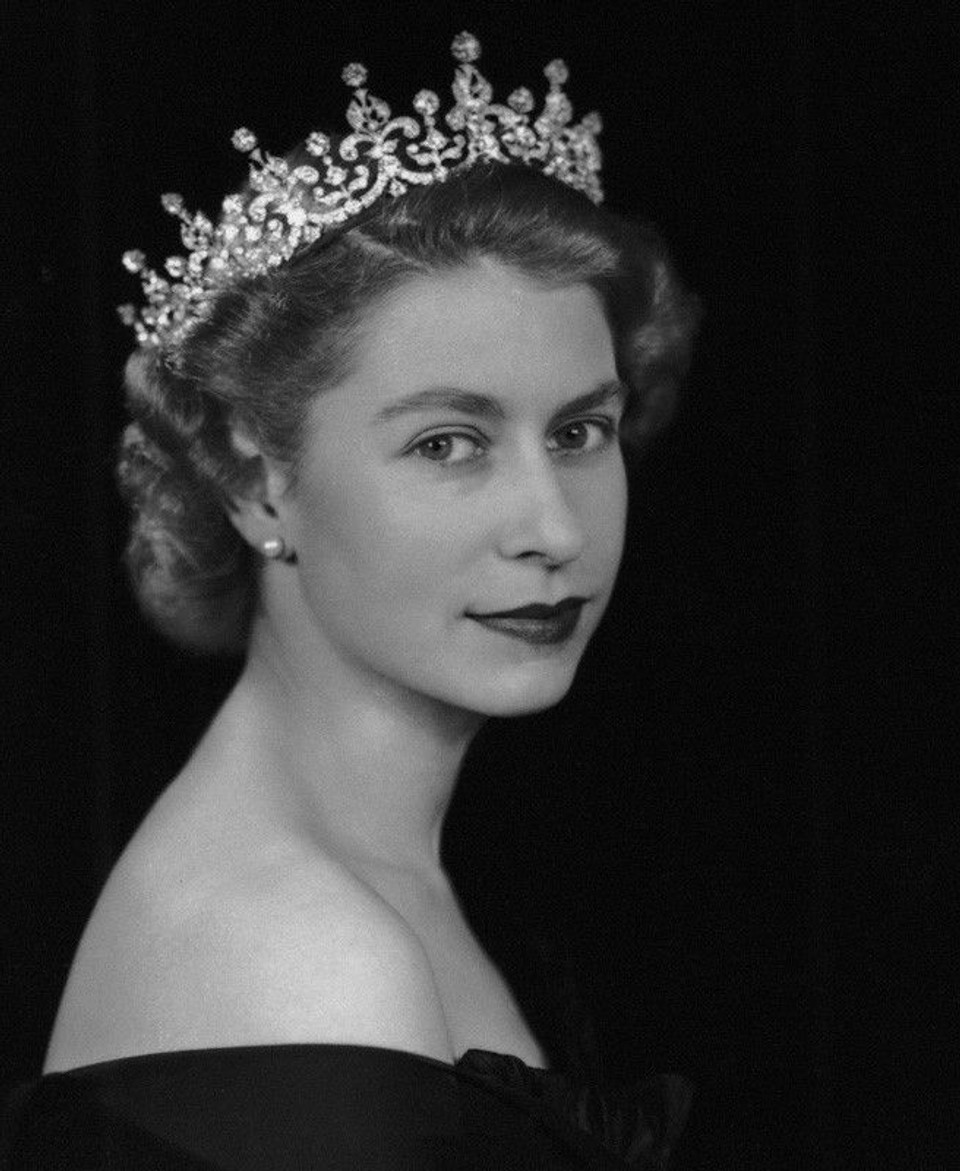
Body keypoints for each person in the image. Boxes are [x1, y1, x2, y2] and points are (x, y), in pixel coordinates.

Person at [2, 33, 699, 1169]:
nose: (557, 530)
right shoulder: (310, 956)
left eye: (580, 431)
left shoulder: (382, 875)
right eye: (448, 443)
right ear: (253, 478)